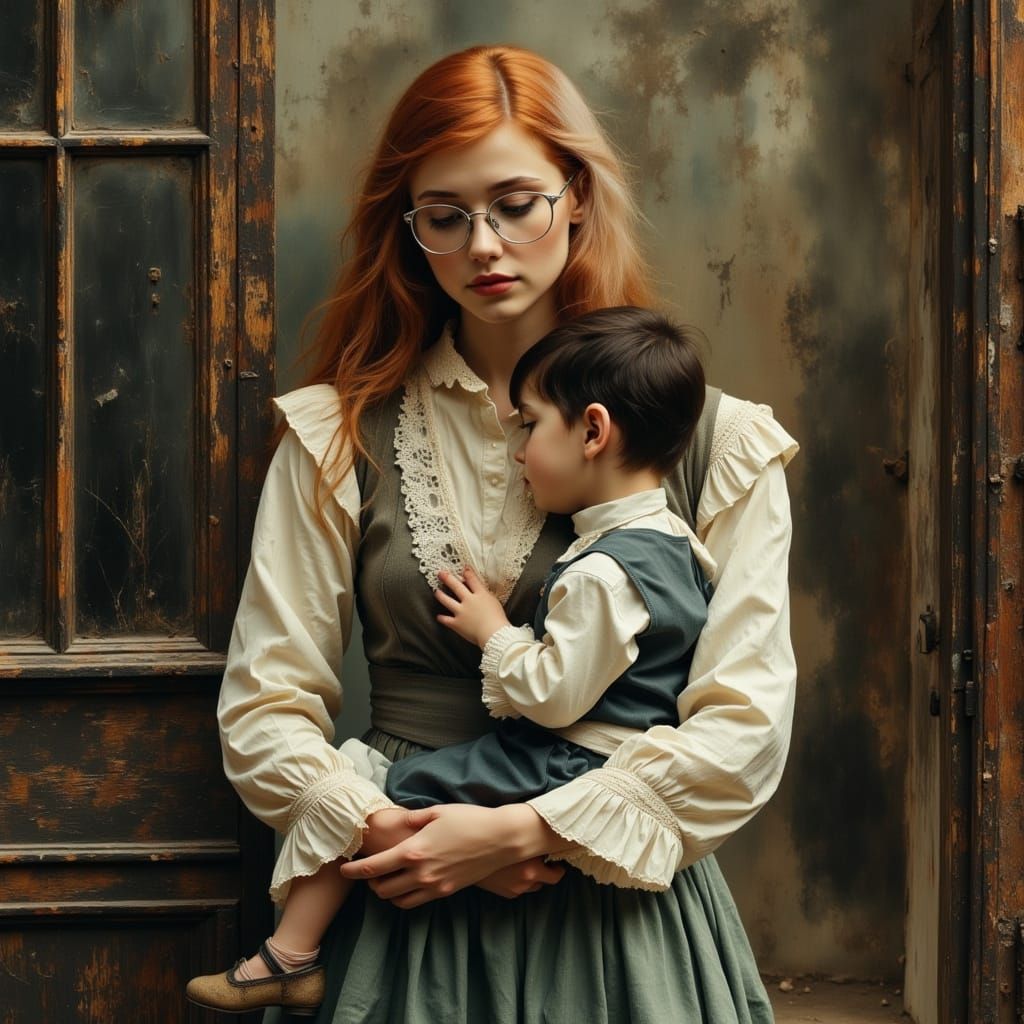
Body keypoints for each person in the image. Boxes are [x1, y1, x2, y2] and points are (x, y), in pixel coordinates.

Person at [199, 44, 797, 1024]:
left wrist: (528, 830)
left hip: (620, 931)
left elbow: (745, 727)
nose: (484, 245)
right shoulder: (336, 434)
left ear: (574, 196)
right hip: (401, 901)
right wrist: (390, 827)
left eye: (515, 204)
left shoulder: (718, 443)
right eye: (444, 216)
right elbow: (263, 705)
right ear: (408, 230)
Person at [186, 306, 716, 1016]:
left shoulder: (607, 571)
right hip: (587, 769)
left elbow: (553, 695)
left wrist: (492, 631)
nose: (519, 447)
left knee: (366, 781)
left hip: (559, 765)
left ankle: (290, 956)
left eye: (530, 426)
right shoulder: (681, 546)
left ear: (593, 430)